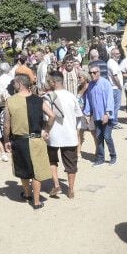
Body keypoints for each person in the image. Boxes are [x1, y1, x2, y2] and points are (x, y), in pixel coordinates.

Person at [4, 75, 54, 209]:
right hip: (37, 139)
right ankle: (37, 202)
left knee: (24, 168)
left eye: (14, 83)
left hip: (19, 141)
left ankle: (27, 194)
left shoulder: (10, 101)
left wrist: (6, 140)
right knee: (36, 171)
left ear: (20, 84)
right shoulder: (39, 100)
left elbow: (6, 124)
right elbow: (52, 115)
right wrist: (46, 129)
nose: (13, 85)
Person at [45, 71, 82, 199]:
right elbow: (78, 116)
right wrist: (77, 133)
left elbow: (46, 117)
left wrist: (45, 130)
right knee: (71, 165)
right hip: (69, 135)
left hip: (52, 135)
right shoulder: (71, 96)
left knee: (52, 160)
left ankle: (56, 184)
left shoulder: (48, 97)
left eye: (49, 81)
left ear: (54, 83)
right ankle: (71, 189)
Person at [83, 64, 117, 166]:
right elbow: (88, 100)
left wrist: (107, 114)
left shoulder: (106, 83)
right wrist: (87, 114)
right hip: (97, 116)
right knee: (99, 137)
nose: (92, 75)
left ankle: (113, 156)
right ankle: (100, 158)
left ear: (99, 72)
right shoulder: (90, 86)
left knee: (107, 136)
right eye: (90, 73)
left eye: (94, 72)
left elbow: (110, 99)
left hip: (107, 116)